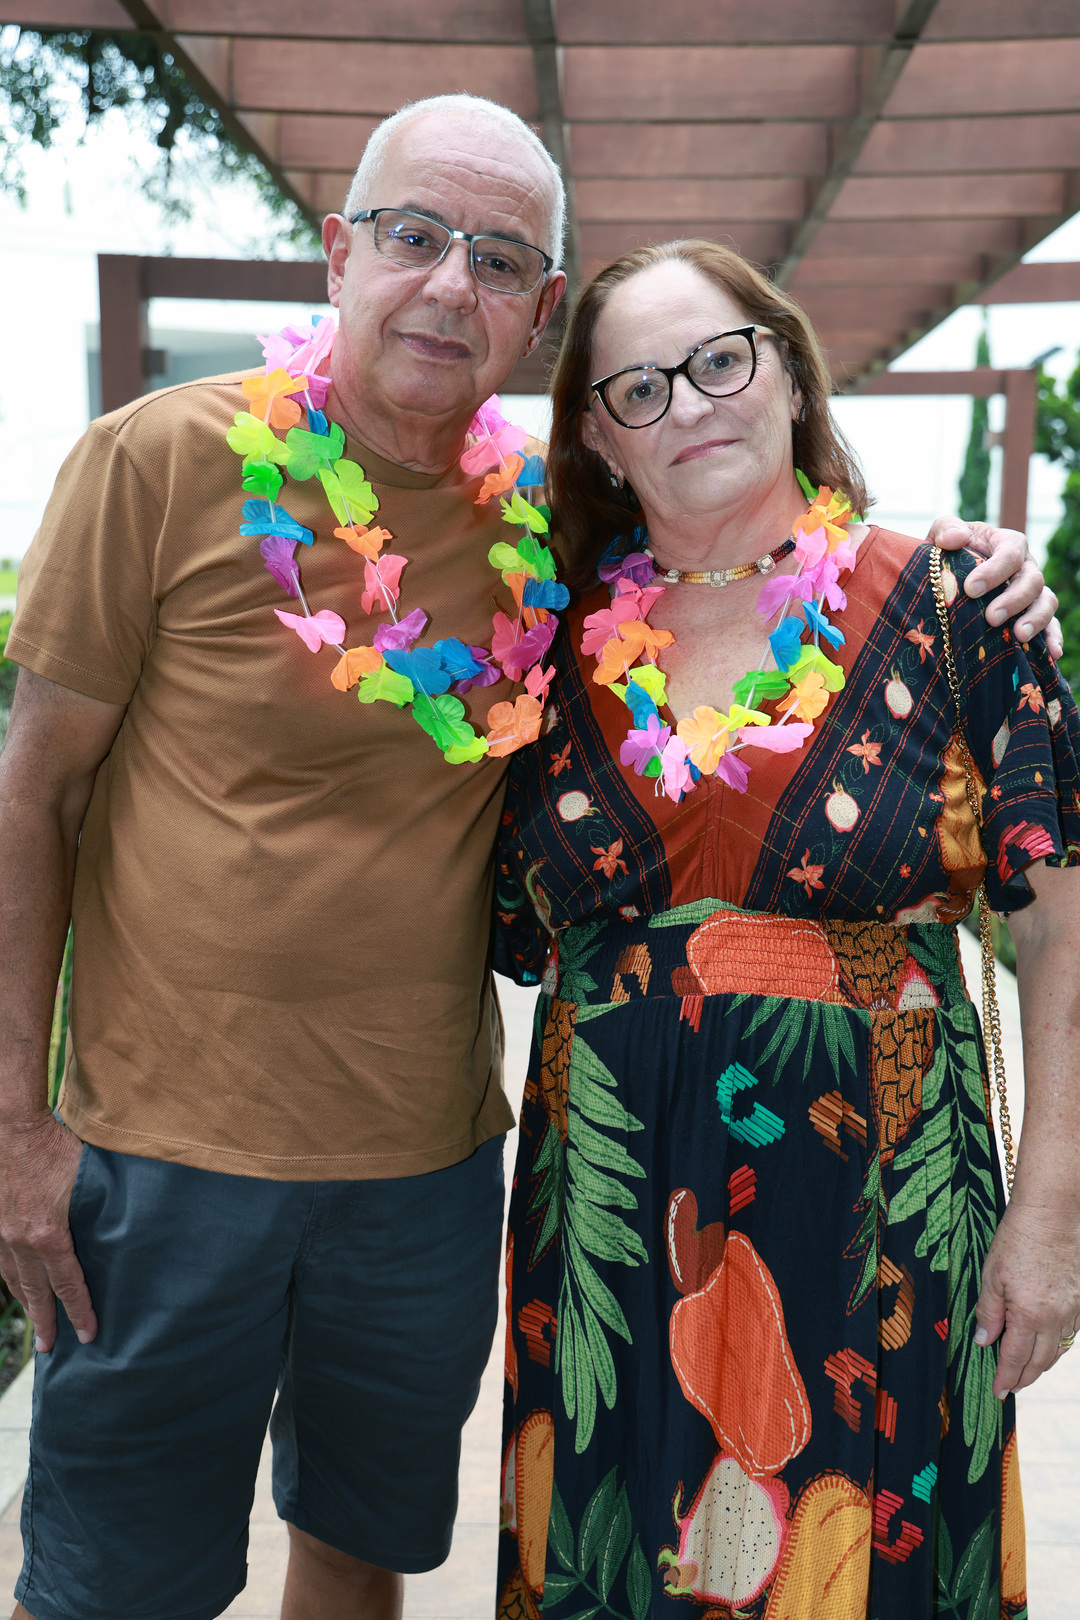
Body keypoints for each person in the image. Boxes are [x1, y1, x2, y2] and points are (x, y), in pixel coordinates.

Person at [0, 89, 1055, 1619]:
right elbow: (30, 797)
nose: (450, 284)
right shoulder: (174, 465)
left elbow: (765, 572)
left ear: (541, 310)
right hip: (203, 1162)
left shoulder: (564, 553)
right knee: (120, 1585)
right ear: (337, 251)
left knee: (362, 1550)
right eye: (413, 236)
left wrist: (974, 553)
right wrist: (15, 1127)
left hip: (466, 1172)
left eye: (498, 259)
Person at [494, 239, 1080, 1620]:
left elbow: (1062, 935)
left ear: (792, 375)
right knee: (614, 1564)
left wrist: (1055, 1212)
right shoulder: (535, 653)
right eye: (641, 387)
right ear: (597, 436)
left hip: (884, 1215)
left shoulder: (960, 611)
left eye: (720, 361)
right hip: (612, 1227)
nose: (691, 405)